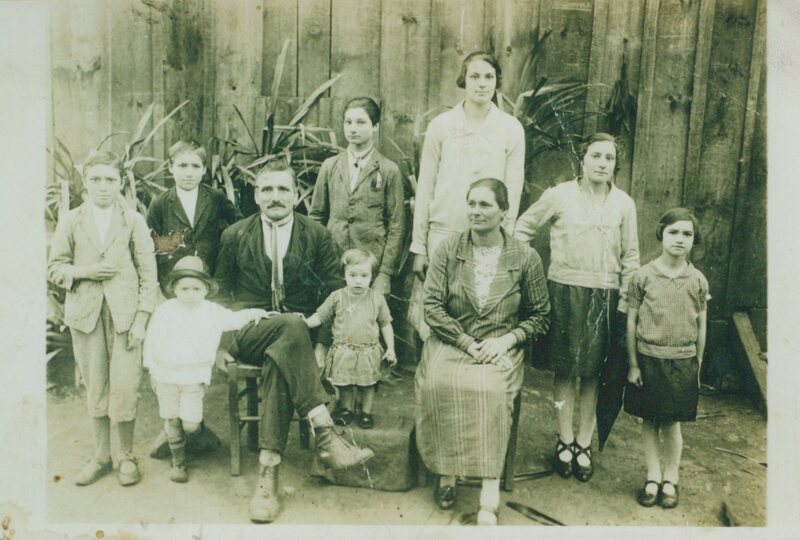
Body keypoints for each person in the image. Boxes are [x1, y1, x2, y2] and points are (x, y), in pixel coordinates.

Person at [214, 159, 375, 523]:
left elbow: (334, 293)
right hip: (249, 331)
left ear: (296, 194)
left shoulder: (316, 235)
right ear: (256, 195)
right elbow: (220, 295)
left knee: (282, 352)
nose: (275, 196)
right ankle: (325, 432)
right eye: (267, 189)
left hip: (297, 338)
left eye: (283, 189)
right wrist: (221, 345)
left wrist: (321, 343)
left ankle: (267, 475)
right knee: (290, 328)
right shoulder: (234, 235)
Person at [415, 179, 550, 525]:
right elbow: (432, 307)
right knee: (438, 383)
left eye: (485, 205)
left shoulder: (525, 257)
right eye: (472, 203)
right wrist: (465, 342)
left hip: (499, 344)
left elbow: (540, 316)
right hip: (452, 340)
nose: (476, 211)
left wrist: (506, 341)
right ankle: (447, 473)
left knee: (490, 391)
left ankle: (489, 487)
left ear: (504, 211)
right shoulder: (448, 249)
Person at [514, 132, 640, 483]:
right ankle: (564, 440)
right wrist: (528, 271)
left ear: (615, 164)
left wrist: (626, 299)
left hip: (605, 297)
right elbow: (522, 229)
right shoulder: (559, 195)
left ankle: (584, 442)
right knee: (566, 372)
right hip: (564, 292)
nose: (602, 163)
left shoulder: (624, 204)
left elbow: (631, 256)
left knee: (593, 374)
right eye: (595, 156)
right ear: (582, 160)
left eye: (609, 158)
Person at [47, 150, 158, 487]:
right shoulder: (71, 220)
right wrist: (86, 271)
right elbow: (55, 268)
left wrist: (141, 320)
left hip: (125, 317)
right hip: (86, 316)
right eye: (96, 179)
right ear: (85, 182)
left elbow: (148, 274)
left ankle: (125, 456)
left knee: (125, 386)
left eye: (110, 179)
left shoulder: (133, 220)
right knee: (95, 385)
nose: (103, 186)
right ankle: (101, 455)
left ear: (121, 182)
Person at [409, 50, 525, 340]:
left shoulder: (511, 128)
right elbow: (425, 187)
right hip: (444, 231)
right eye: (475, 76)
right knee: (436, 315)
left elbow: (512, 189)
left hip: (489, 237)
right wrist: (419, 246)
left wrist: (505, 238)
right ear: (464, 80)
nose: (482, 83)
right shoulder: (441, 125)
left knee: (480, 312)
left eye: (489, 77)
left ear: (497, 81)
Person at [143, 255, 273, 483]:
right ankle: (179, 461)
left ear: (205, 290)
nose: (190, 294)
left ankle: (196, 433)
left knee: (191, 425)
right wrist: (151, 370)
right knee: (172, 419)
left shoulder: (211, 311)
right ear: (174, 289)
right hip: (165, 375)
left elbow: (234, 319)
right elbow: (151, 341)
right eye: (184, 289)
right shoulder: (165, 311)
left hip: (194, 376)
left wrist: (256, 313)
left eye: (196, 288)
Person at [624, 208, 708, 509]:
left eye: (687, 234)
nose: (679, 239)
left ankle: (671, 478)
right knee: (649, 420)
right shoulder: (643, 276)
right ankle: (653, 476)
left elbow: (701, 324)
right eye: (673, 232)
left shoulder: (697, 280)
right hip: (649, 359)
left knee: (672, 423)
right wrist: (634, 364)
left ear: (694, 240)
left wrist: (697, 364)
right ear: (661, 234)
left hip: (682, 361)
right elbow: (631, 321)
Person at [309, 96, 406, 298]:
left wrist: (385, 274)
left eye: (361, 122)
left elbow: (396, 225)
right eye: (348, 122)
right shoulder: (330, 166)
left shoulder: (388, 170)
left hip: (371, 266)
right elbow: (316, 216)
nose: (352, 129)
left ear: (375, 126)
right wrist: (319, 259)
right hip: (333, 264)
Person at [303, 249, 397, 429]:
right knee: (344, 383)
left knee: (368, 384)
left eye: (364, 275)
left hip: (368, 350)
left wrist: (391, 349)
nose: (358, 280)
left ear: (372, 276)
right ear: (344, 275)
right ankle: (346, 410)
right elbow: (320, 316)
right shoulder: (337, 297)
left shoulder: (376, 298)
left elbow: (386, 324)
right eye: (353, 275)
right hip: (343, 350)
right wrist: (305, 323)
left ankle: (366, 412)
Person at [147, 139, 240, 294]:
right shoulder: (160, 203)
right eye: (182, 166)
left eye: (196, 166)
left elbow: (240, 226)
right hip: (174, 281)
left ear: (204, 169)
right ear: (171, 167)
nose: (189, 173)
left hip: (210, 279)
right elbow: (150, 245)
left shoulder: (215, 197)